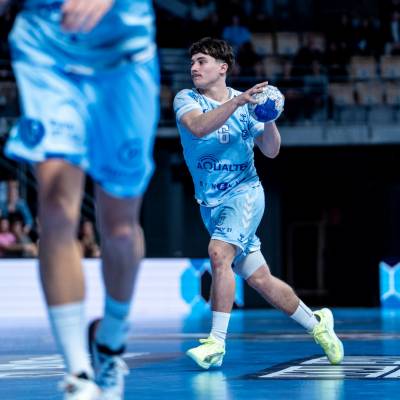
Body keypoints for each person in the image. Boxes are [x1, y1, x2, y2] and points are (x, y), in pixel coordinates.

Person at [1, 0, 159, 399]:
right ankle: (78, 375)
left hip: (123, 51)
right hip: (47, 45)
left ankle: (111, 341)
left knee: (120, 228)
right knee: (56, 207)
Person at [173, 37, 343, 370]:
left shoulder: (247, 103)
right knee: (260, 279)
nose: (194, 68)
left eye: (201, 61)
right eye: (192, 62)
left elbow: (271, 150)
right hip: (210, 203)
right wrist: (238, 103)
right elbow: (198, 127)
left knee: (218, 253)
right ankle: (317, 324)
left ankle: (216, 343)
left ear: (222, 68)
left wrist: (269, 116)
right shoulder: (187, 99)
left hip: (245, 193)